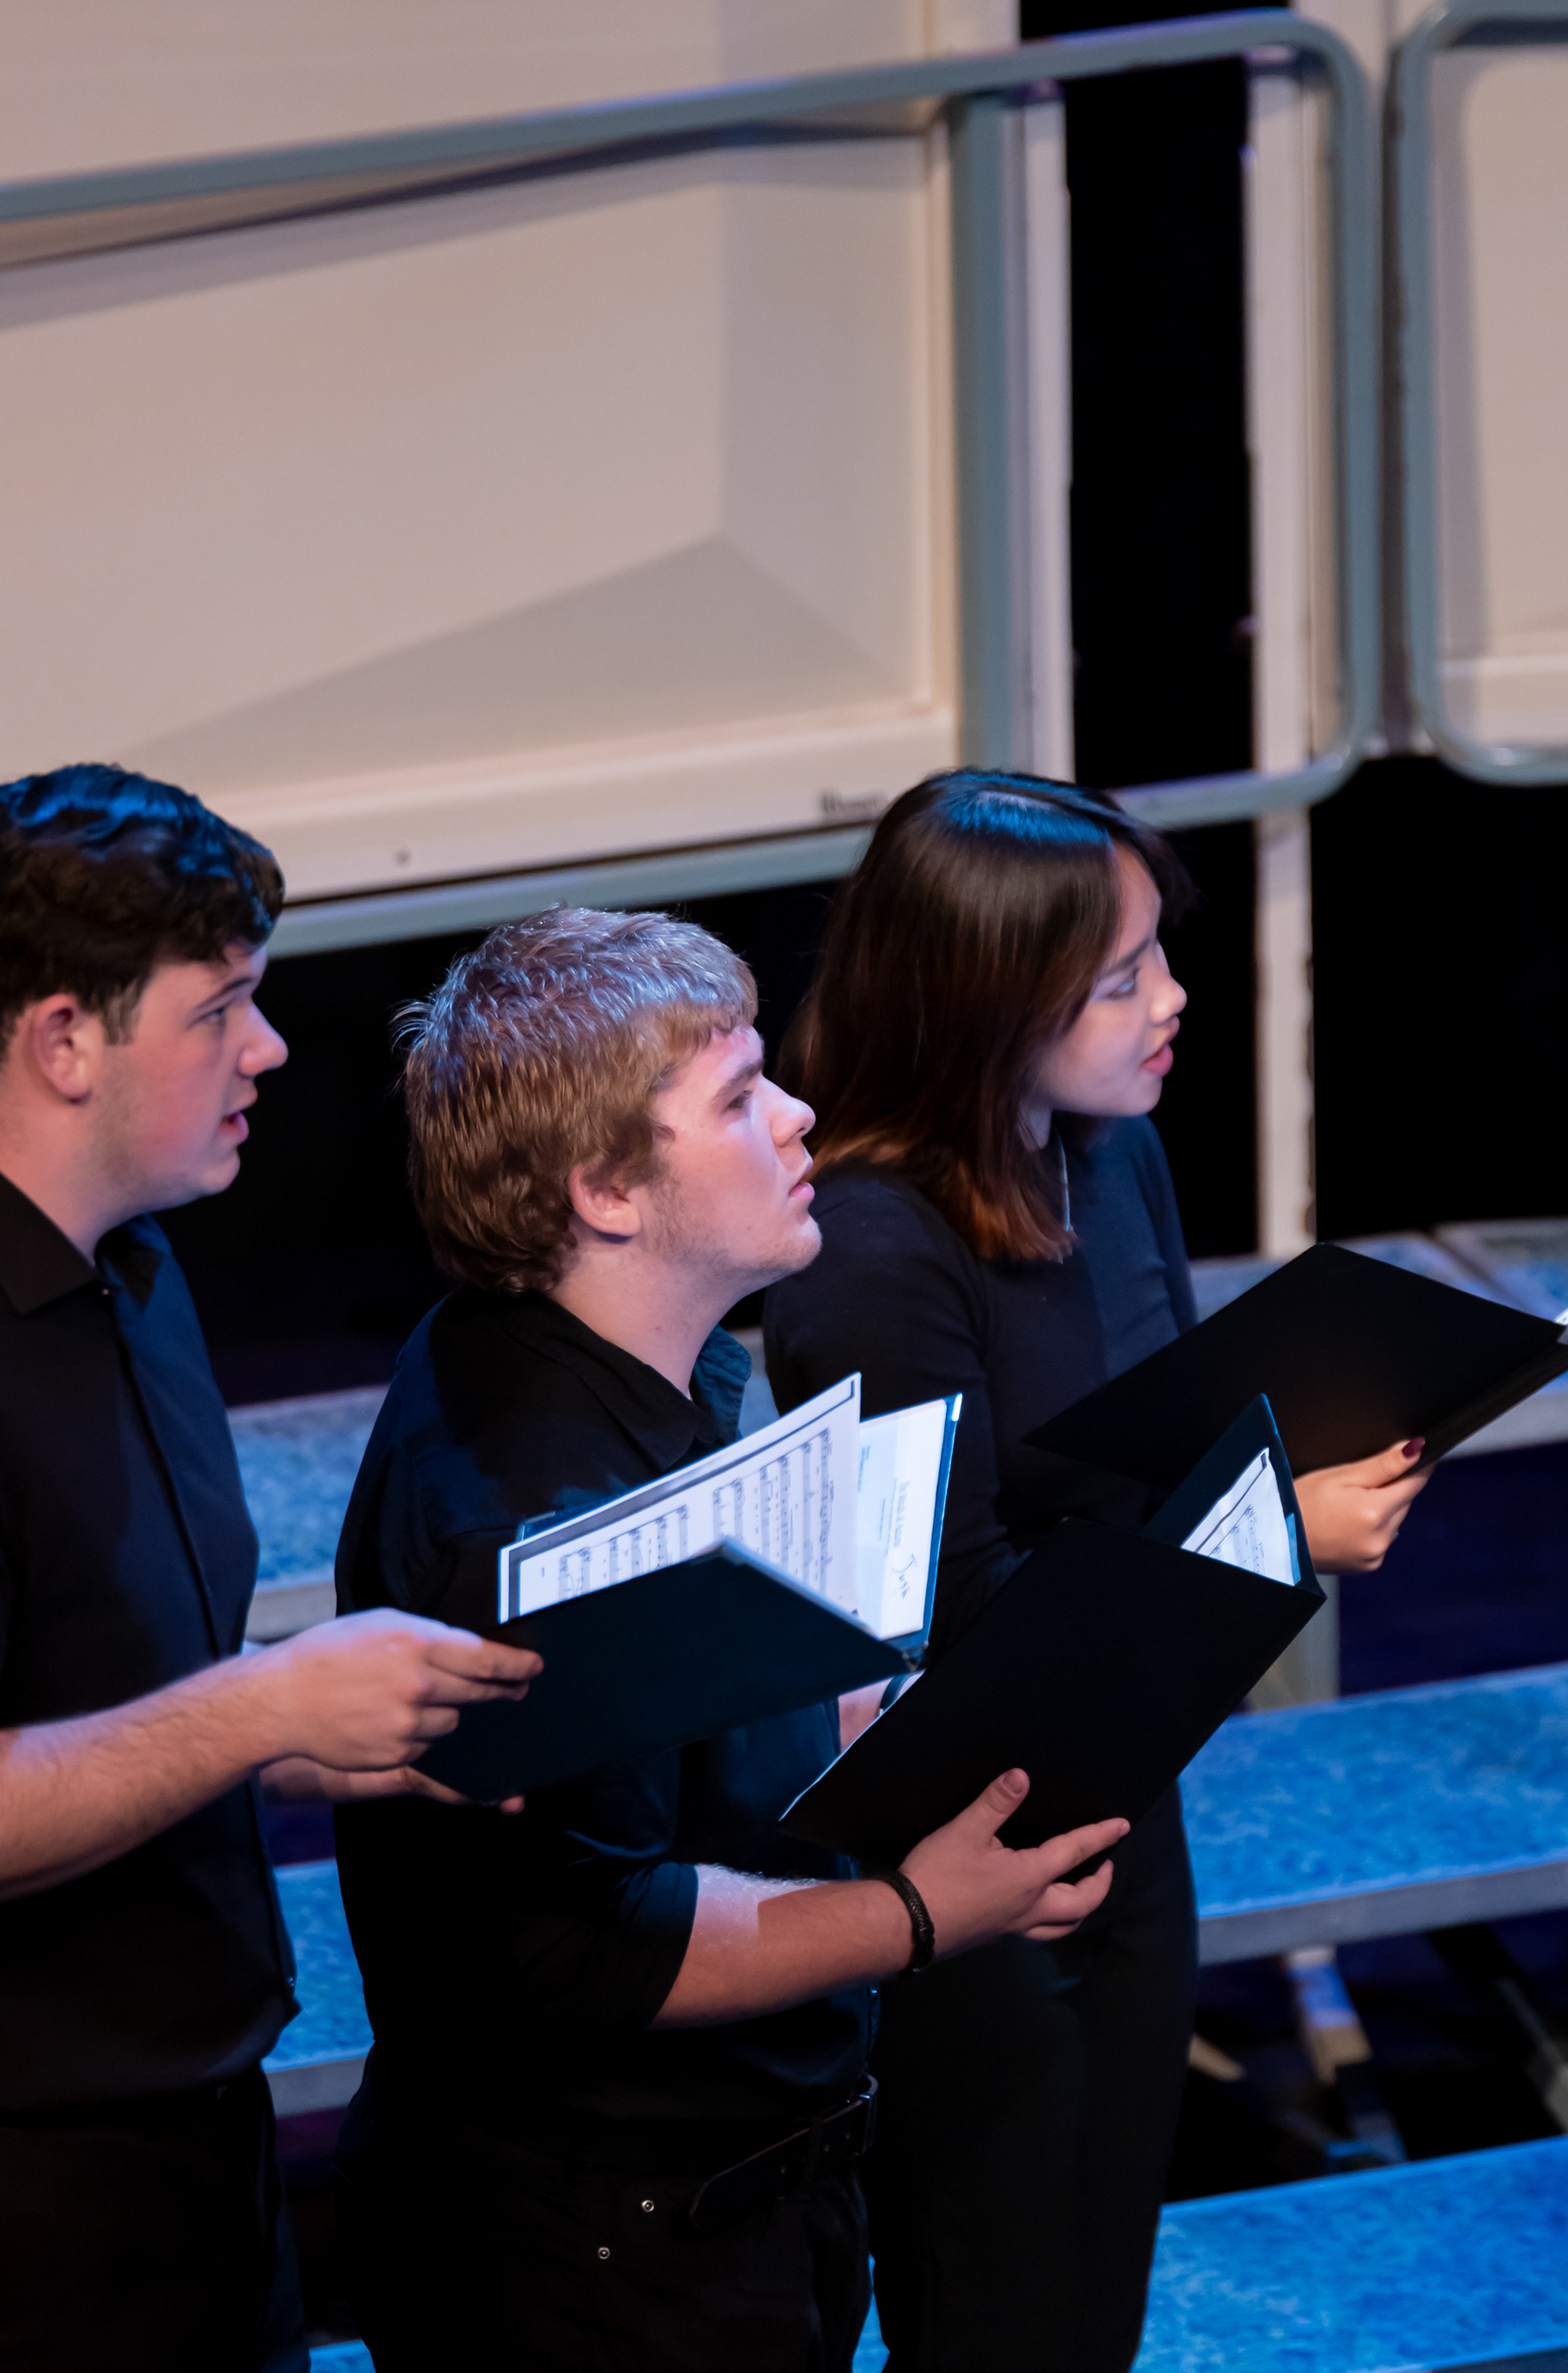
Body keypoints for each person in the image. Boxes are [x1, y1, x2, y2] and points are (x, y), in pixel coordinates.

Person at [330, 904, 1127, 2372]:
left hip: (723, 2209)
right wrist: (923, 1913)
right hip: (606, 2266)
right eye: (741, 1096)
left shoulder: (634, 1349)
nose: (800, 1114)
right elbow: (587, 1942)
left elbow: (704, 1732)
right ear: (606, 1192)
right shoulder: (536, 1522)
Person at [763, 767, 1432, 2373]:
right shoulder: (873, 1252)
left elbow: (1165, 1439)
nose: (1171, 1000)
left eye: (1156, 958)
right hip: (973, 1852)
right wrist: (1281, 1533)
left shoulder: (1110, 1150)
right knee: (998, 2317)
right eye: (1121, 978)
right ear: (985, 1003)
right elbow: (955, 1623)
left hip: (1127, 1794)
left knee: (1095, 2308)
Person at [0, 765, 542, 2373]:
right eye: (221, 1008)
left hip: (202, 2135)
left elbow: (119, 1690)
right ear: (64, 1040)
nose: (271, 1048)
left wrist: (339, 1738)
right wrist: (261, 1710)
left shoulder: (138, 1269)